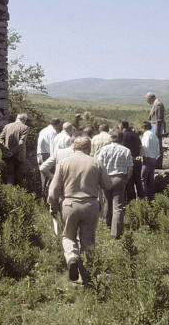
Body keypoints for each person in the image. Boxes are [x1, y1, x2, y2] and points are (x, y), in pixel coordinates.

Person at [48, 136, 112, 283]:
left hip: (69, 204)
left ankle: (71, 259)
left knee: (68, 236)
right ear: (89, 148)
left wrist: (52, 204)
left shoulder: (64, 163)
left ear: (73, 148)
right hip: (90, 205)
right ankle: (87, 275)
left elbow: (53, 191)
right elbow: (107, 185)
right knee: (88, 241)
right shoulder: (96, 163)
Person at [97, 131, 133, 238]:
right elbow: (130, 168)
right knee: (118, 206)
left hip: (107, 178)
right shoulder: (126, 150)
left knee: (107, 202)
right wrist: (126, 179)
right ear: (121, 139)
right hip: (119, 177)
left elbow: (99, 165)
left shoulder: (104, 149)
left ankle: (106, 226)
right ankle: (116, 232)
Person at [0, 113, 30, 185]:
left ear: (17, 118)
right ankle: (16, 193)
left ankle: (8, 192)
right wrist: (12, 152)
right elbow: (21, 143)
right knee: (18, 176)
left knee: (10, 175)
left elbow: (0, 140)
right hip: (19, 155)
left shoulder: (7, 126)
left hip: (7, 155)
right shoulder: (25, 127)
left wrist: (5, 151)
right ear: (24, 120)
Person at [37, 118, 62, 197]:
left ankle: (43, 196)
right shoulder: (53, 132)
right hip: (47, 155)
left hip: (40, 154)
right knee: (50, 177)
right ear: (58, 124)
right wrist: (54, 159)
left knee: (43, 177)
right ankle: (49, 197)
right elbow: (52, 146)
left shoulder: (43, 130)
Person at [119, 120, 143, 201]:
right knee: (138, 182)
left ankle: (131, 202)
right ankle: (142, 200)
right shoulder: (135, 135)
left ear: (121, 127)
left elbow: (122, 149)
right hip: (137, 160)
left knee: (129, 183)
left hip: (128, 161)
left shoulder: (122, 136)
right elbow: (140, 146)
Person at [140, 121, 160, 200]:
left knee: (143, 178)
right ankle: (151, 196)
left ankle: (144, 197)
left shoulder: (146, 136)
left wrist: (142, 157)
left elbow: (145, 147)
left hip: (147, 158)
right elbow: (158, 150)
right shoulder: (154, 136)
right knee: (150, 179)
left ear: (143, 128)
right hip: (153, 158)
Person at [145, 92, 166, 169]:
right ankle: (156, 163)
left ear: (149, 98)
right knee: (155, 145)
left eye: (147, 100)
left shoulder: (158, 104)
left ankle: (158, 164)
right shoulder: (156, 104)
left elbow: (159, 119)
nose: (147, 101)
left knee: (158, 146)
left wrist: (157, 131)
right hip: (154, 127)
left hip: (157, 127)